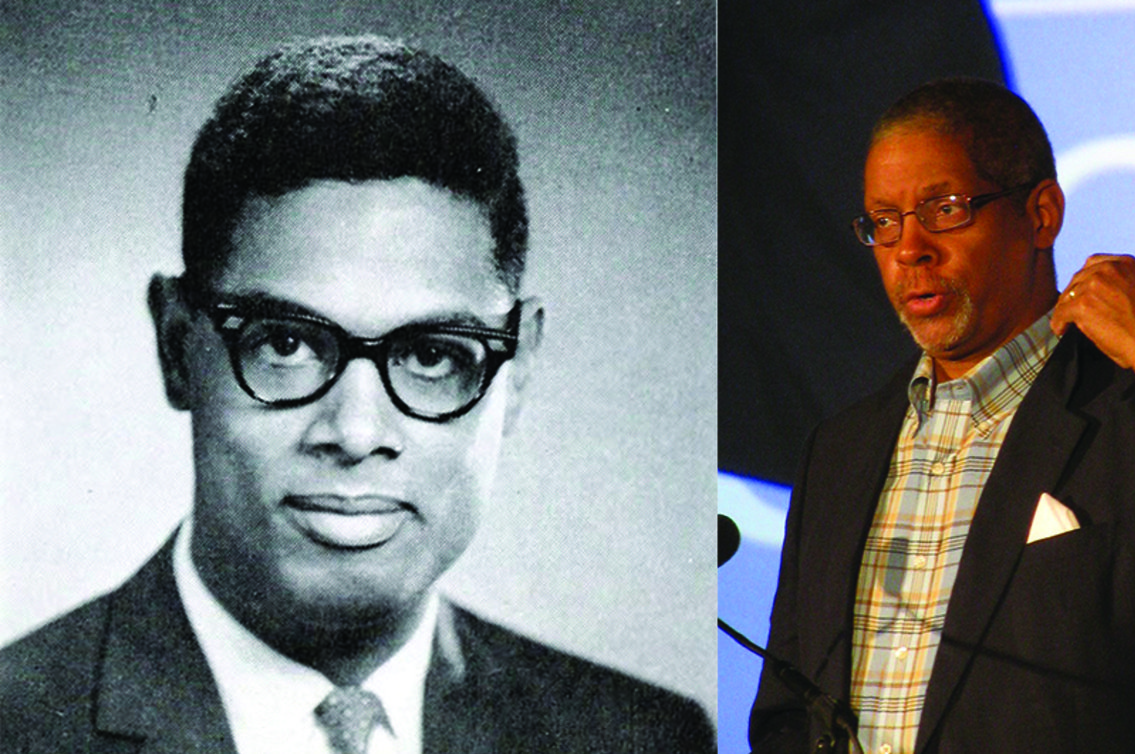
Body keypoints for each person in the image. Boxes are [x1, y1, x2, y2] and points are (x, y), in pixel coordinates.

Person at [0, 35, 713, 754]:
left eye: (433, 355)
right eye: (286, 345)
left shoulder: (645, 740)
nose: (357, 429)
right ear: (177, 344)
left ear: (519, 366)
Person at [748, 77, 1135, 754]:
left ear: (1041, 214)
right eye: (884, 221)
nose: (909, 249)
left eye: (943, 209)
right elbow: (787, 712)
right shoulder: (841, 448)